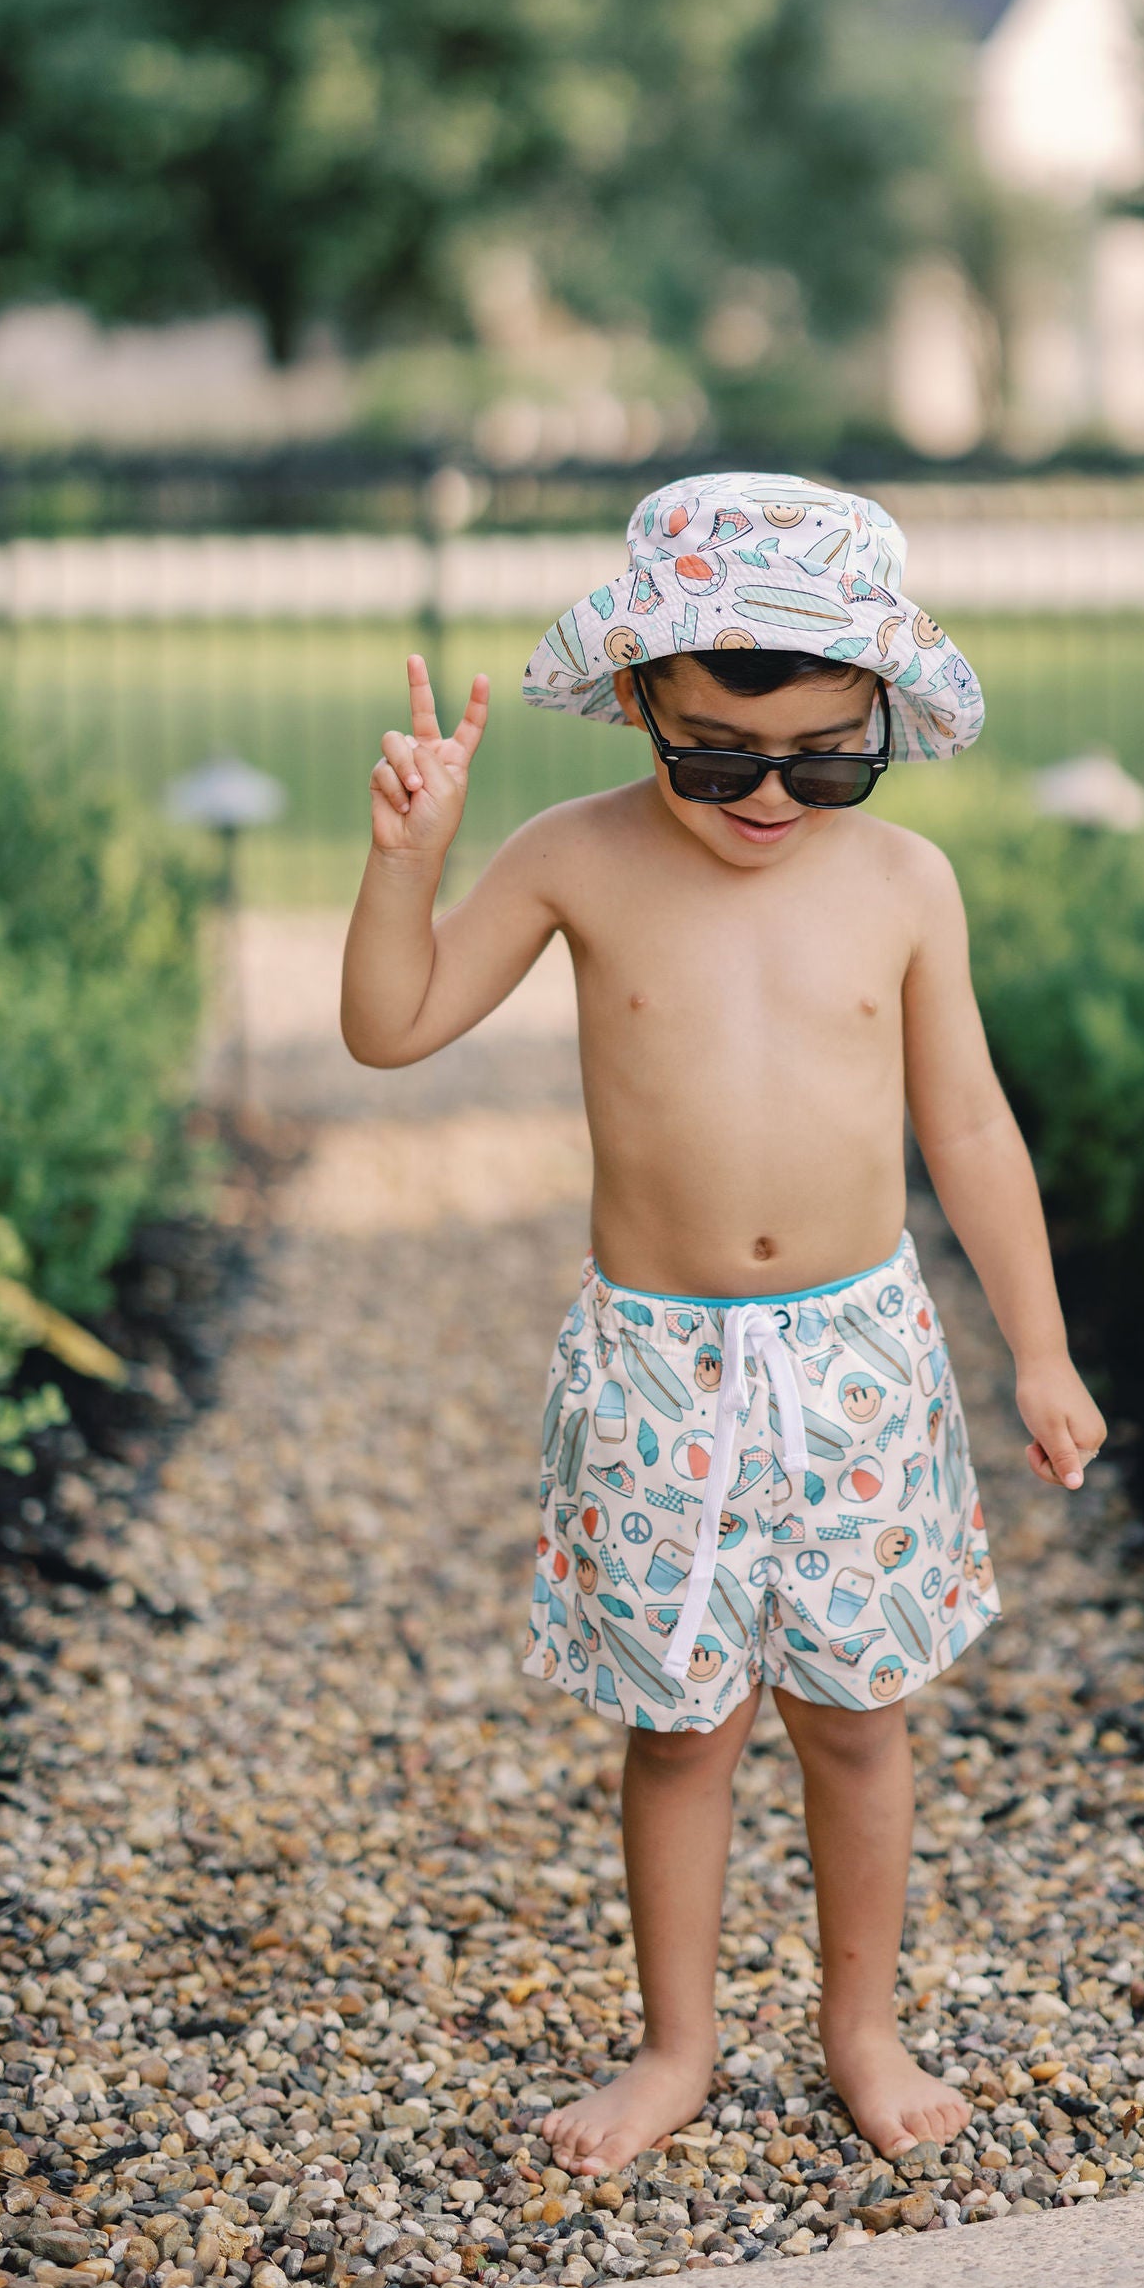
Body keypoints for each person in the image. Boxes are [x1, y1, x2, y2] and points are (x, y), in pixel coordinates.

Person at [341, 471, 1104, 2177]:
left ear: (884, 718)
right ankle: (676, 2045)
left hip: (859, 1360)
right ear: (637, 703)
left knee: (856, 1717)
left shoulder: (903, 884)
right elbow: (390, 1028)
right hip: (658, 1361)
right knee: (682, 1726)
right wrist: (409, 863)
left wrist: (1040, 1350)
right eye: (716, 757)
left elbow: (969, 1129)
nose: (771, 797)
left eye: (827, 757)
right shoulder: (576, 861)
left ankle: (859, 2023)